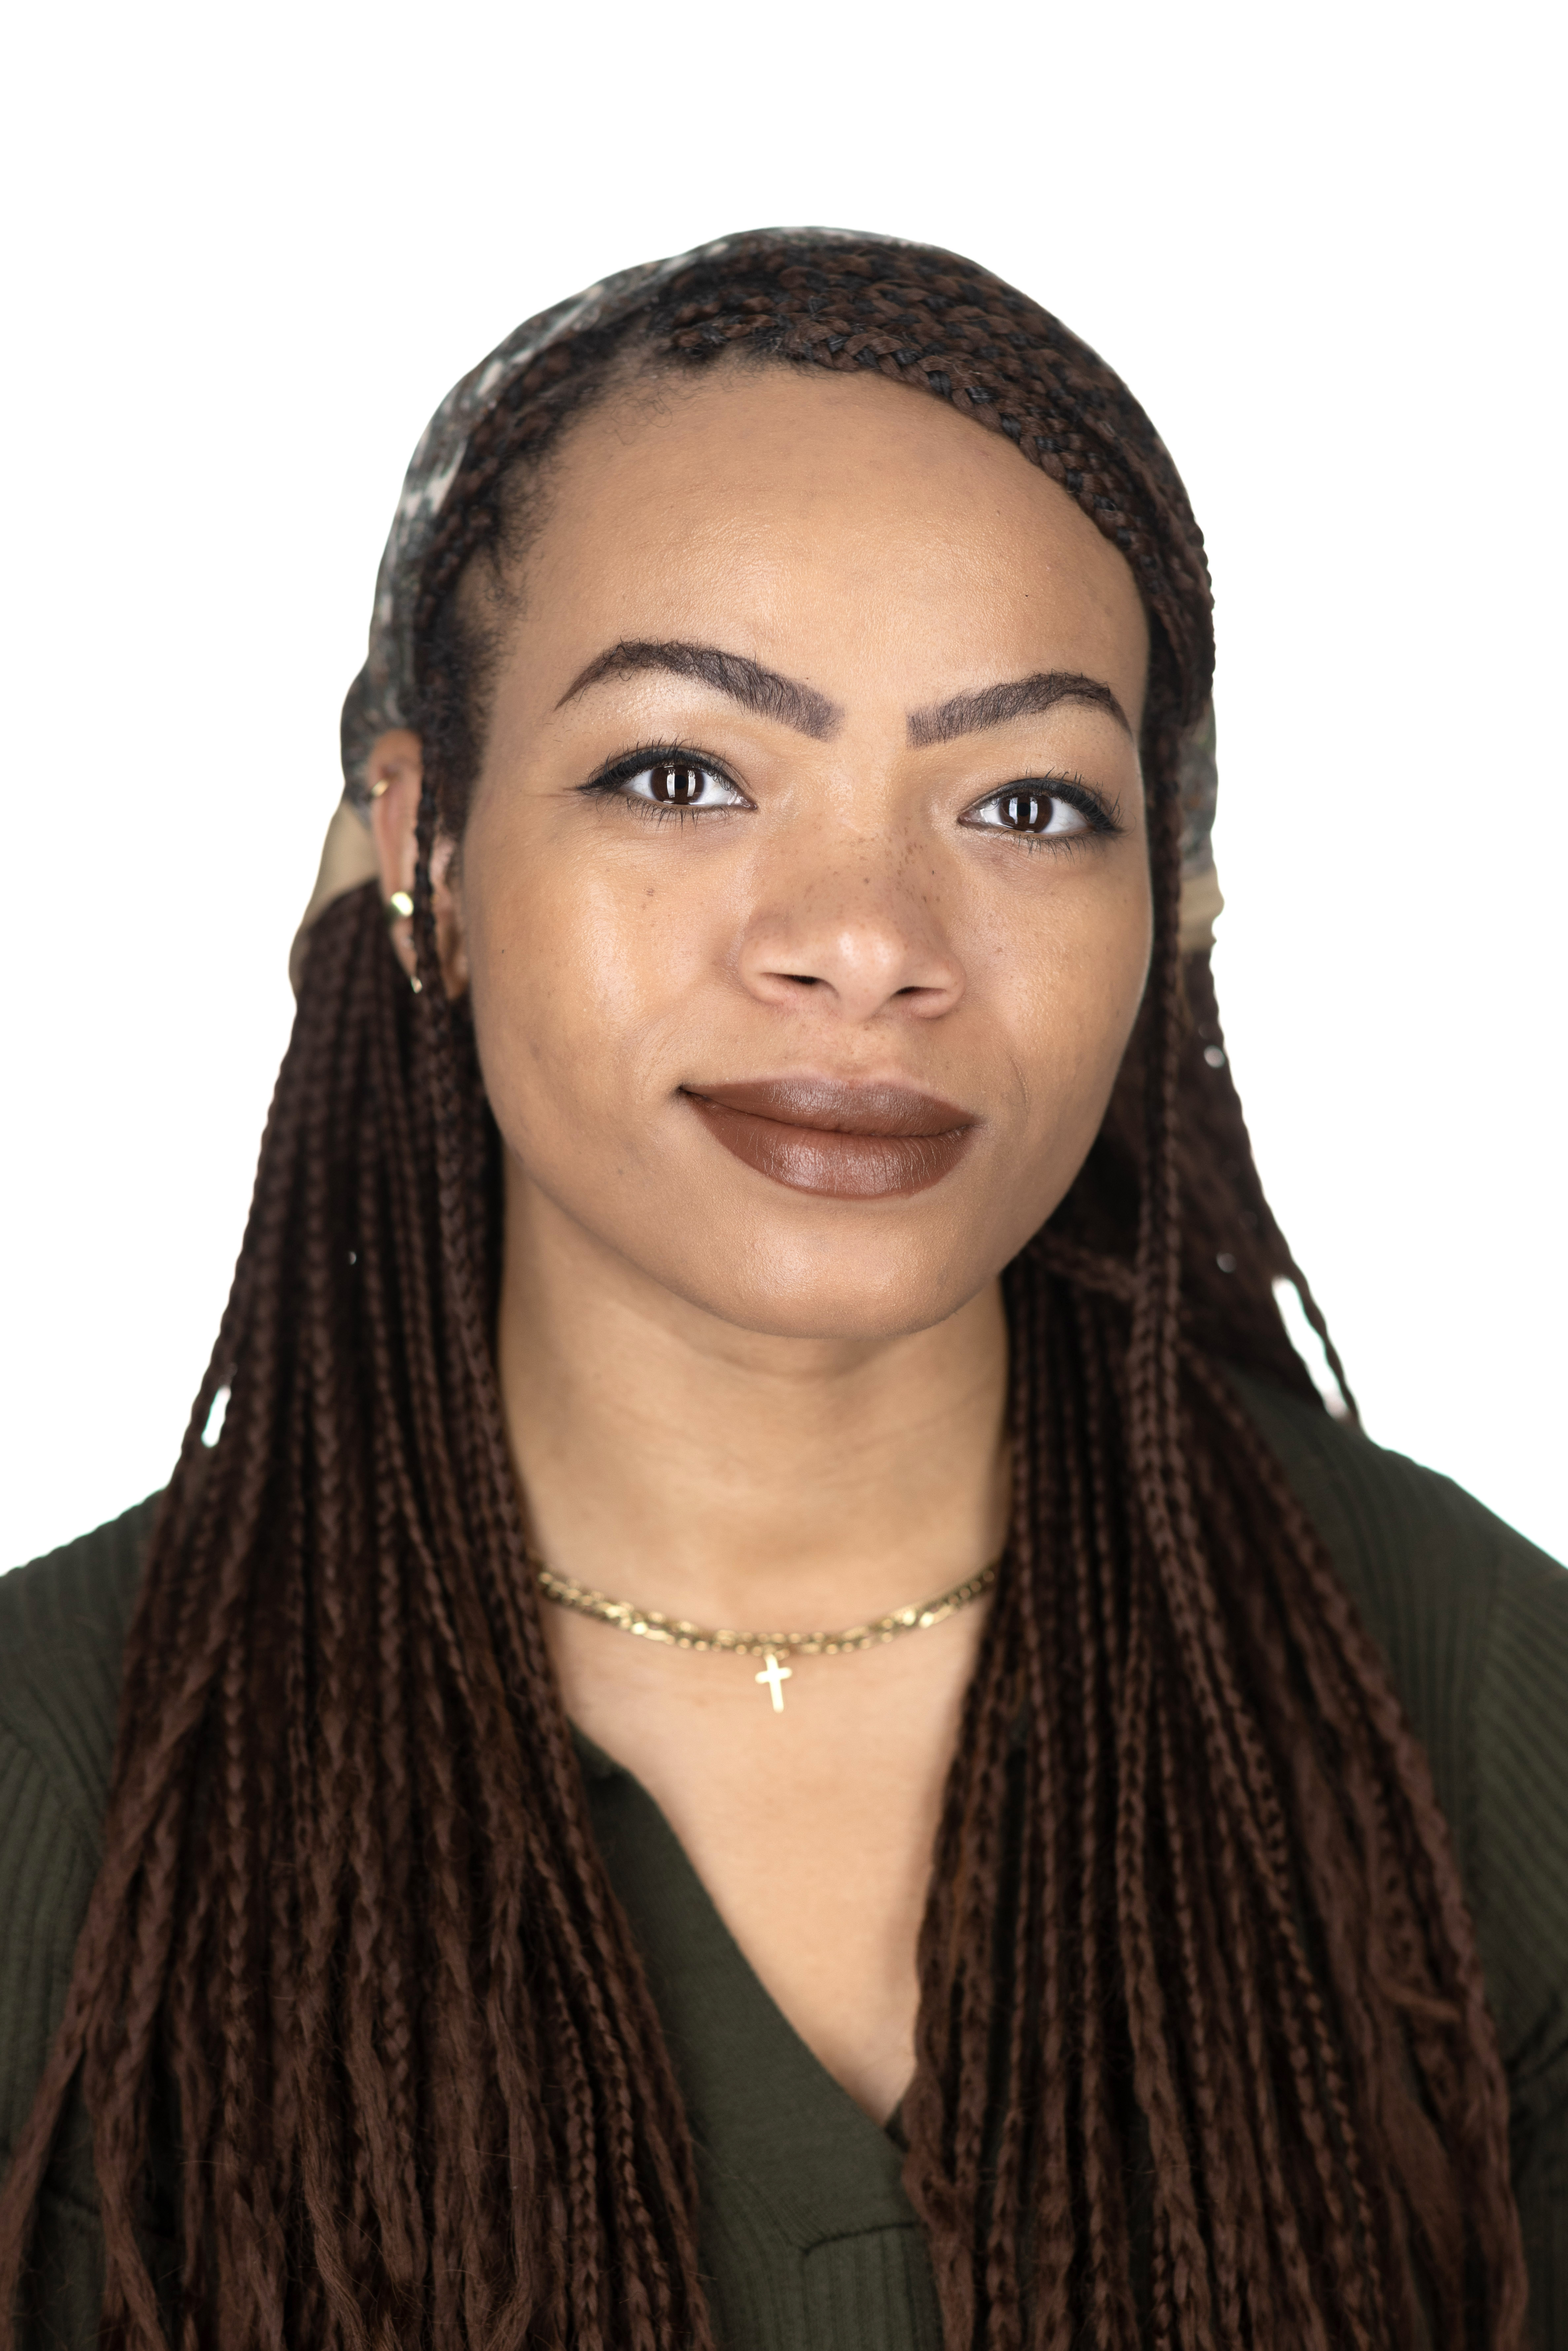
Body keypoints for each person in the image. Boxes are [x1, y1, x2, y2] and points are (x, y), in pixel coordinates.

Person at [0, 228, 1563, 2351]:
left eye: (1028, 802)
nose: (865, 939)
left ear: (1168, 907)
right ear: (426, 847)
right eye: (683, 774)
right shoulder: (59, 1779)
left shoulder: (1472, 1704)